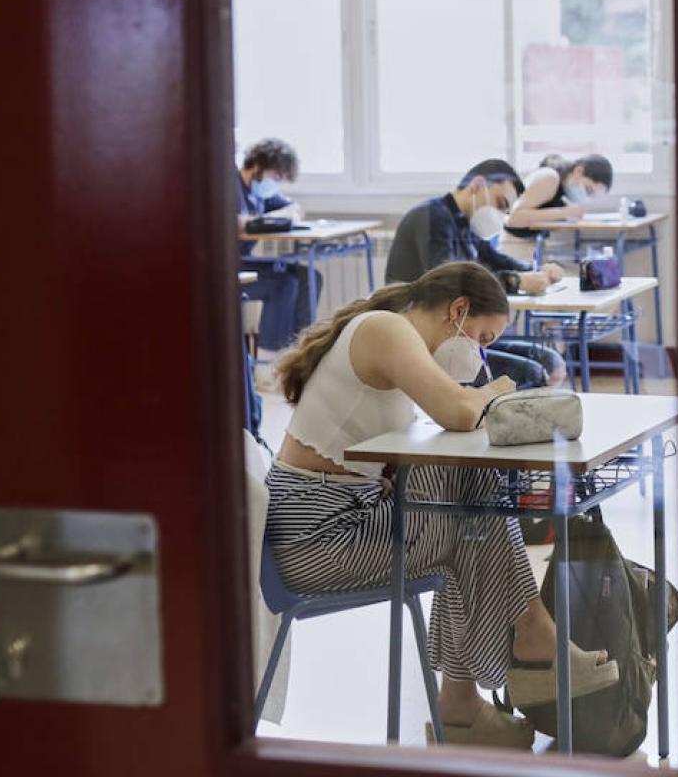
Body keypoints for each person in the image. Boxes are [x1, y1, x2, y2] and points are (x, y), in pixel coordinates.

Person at [264, 262, 619, 748]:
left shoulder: (391, 330)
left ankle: (469, 696)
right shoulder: (387, 329)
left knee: (469, 512)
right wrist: (495, 389)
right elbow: (455, 412)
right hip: (318, 538)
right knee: (466, 498)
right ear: (457, 312)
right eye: (484, 338)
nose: (482, 352)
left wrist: (476, 398)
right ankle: (518, 647)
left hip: (335, 520)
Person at [385, 159, 571, 388]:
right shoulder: (432, 216)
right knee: (532, 373)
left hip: (459, 335)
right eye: (500, 204)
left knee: (550, 360)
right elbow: (453, 284)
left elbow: (494, 258)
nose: (501, 215)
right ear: (477, 184)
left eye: (506, 211)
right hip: (428, 341)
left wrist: (538, 270)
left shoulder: (462, 223)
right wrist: (517, 281)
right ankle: (490, 420)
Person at [238, 137, 319, 353]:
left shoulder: (259, 195)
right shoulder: (230, 186)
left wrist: (284, 214)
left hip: (247, 262)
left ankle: (301, 353)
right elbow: (235, 223)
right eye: (276, 176)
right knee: (283, 284)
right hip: (229, 268)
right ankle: (268, 360)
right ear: (257, 165)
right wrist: (262, 221)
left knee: (310, 277)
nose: (276, 183)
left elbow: (295, 209)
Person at [504, 153, 616, 241]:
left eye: (592, 195)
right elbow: (514, 219)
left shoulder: (562, 192)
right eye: (588, 190)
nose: (586, 197)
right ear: (579, 171)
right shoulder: (550, 177)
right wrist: (565, 213)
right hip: (512, 244)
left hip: (529, 244)